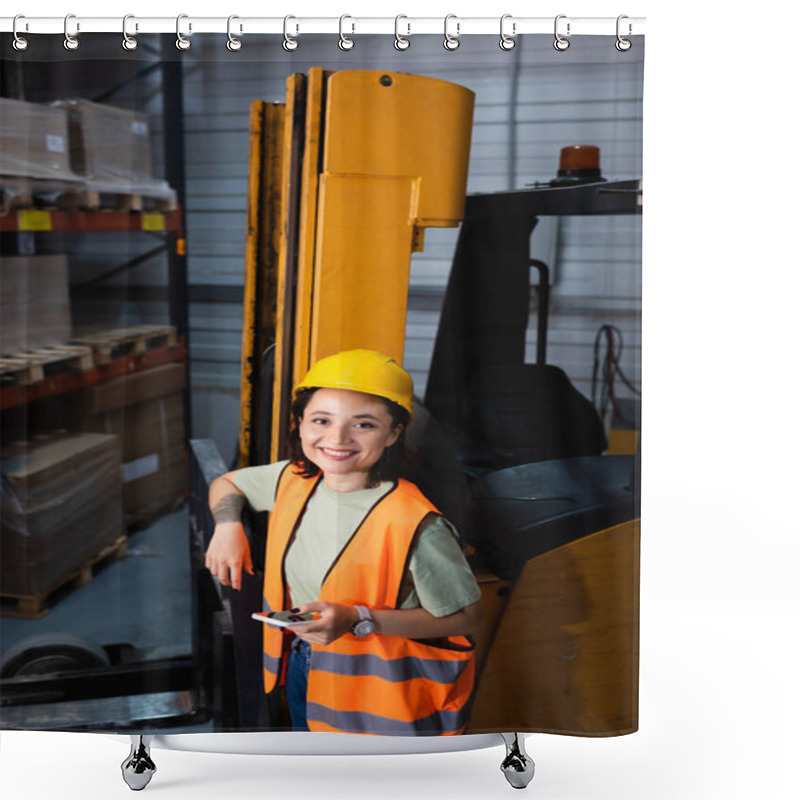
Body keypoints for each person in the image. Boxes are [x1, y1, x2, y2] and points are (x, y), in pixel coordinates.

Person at [205, 349, 484, 735]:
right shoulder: (294, 480)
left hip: (380, 690)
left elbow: (469, 618)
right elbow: (227, 483)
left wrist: (359, 620)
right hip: (306, 662)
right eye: (321, 420)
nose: (337, 438)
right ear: (301, 424)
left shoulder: (415, 523)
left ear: (394, 433)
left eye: (364, 425)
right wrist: (227, 526)